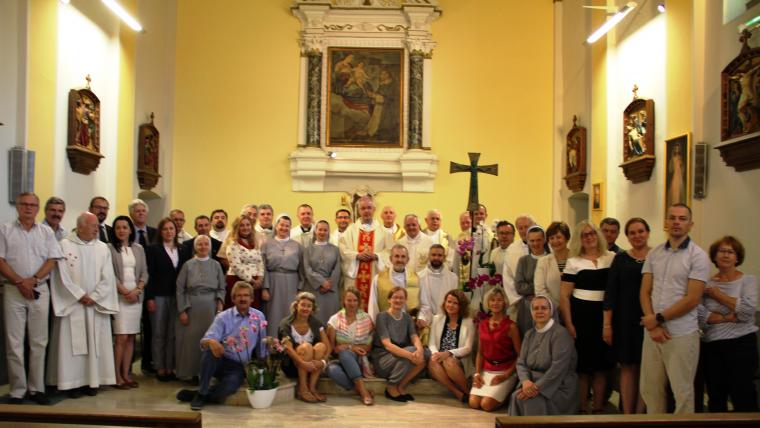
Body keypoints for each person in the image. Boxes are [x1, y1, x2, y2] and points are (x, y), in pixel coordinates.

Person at [640, 204, 710, 414]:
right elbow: (645, 291)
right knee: (650, 390)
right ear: (666, 222)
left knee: (682, 393)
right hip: (653, 333)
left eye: (682, 218)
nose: (676, 222)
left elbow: (693, 299)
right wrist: (653, 325)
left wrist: (658, 318)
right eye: (672, 218)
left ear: (690, 224)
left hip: (681, 334)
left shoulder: (698, 256)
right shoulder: (654, 254)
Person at [0, 192, 63, 404]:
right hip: (13, 290)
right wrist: (20, 281)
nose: (28, 208)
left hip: (39, 290)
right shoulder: (5, 230)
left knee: (39, 341)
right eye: (24, 204)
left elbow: (52, 259)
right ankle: (18, 390)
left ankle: (37, 388)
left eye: (32, 205)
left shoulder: (46, 232)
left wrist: (33, 280)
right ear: (17, 206)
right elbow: (0, 261)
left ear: (37, 209)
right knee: (14, 343)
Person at [47, 212, 118, 398]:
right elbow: (60, 276)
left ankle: (92, 381)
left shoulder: (102, 248)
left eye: (97, 226)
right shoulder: (64, 245)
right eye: (93, 225)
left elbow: (108, 277)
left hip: (94, 305)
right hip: (73, 305)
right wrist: (79, 295)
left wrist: (94, 296)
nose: (96, 229)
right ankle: (72, 383)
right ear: (80, 226)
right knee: (71, 345)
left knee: (94, 344)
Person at [176, 281, 267, 410]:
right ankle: (202, 392)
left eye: (246, 295)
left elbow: (261, 343)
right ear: (233, 299)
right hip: (220, 360)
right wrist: (212, 342)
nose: (242, 298)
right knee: (209, 351)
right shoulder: (223, 317)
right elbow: (205, 341)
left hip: (238, 366)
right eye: (239, 295)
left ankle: (198, 395)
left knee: (229, 387)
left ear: (252, 299)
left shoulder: (259, 316)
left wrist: (262, 364)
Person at [560, 220, 615, 414]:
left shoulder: (611, 258)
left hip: (605, 317)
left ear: (597, 235)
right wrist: (569, 324)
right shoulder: (573, 262)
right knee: (583, 367)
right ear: (579, 239)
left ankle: (598, 408)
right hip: (581, 317)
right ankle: (582, 409)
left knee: (601, 366)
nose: (589, 237)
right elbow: (564, 296)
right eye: (584, 235)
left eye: (592, 233)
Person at [698, 236, 758, 412]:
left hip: (742, 344)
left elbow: (747, 311)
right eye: (721, 251)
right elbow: (701, 316)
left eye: (730, 252)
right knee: (716, 396)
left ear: (737, 257)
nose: (725, 255)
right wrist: (728, 317)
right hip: (712, 345)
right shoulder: (705, 285)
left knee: (743, 395)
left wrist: (717, 295)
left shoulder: (748, 280)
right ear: (714, 256)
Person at [602, 217, 651, 414]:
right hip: (624, 320)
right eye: (632, 233)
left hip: (649, 319)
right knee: (627, 367)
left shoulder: (657, 257)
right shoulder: (620, 258)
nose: (637, 235)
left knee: (646, 368)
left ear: (648, 233)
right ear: (627, 236)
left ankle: (640, 414)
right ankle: (627, 415)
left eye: (640, 231)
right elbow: (610, 292)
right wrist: (607, 324)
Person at [508, 295, 579, 416]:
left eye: (544, 308)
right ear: (531, 312)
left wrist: (536, 388)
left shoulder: (560, 334)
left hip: (558, 385)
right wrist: (525, 381)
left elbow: (558, 369)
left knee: (531, 401)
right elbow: (521, 363)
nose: (539, 311)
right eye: (536, 308)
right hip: (532, 382)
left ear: (551, 311)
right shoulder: (529, 334)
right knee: (516, 397)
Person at [175, 235, 226, 381]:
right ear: (195, 247)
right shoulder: (188, 265)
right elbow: (180, 288)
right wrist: (182, 310)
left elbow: (222, 288)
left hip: (210, 307)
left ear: (210, 247)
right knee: (192, 341)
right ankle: (192, 372)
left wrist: (220, 306)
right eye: (200, 244)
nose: (203, 247)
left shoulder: (216, 265)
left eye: (206, 244)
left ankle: (208, 372)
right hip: (191, 306)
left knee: (210, 340)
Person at [109, 215, 148, 390]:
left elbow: (145, 272)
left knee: (131, 337)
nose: (121, 230)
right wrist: (125, 292)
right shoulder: (110, 249)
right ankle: (116, 376)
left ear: (131, 230)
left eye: (125, 227)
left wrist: (137, 290)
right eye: (118, 227)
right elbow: (110, 274)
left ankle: (126, 375)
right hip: (120, 298)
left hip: (136, 298)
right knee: (121, 337)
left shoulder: (138, 248)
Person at [372, 286, 430, 402]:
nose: (398, 300)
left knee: (426, 353)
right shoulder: (382, 317)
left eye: (401, 298)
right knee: (410, 352)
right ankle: (391, 387)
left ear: (405, 300)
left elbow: (414, 337)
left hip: (401, 356)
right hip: (384, 357)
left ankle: (402, 385)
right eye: (395, 297)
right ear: (389, 300)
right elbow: (387, 345)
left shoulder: (407, 318)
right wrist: (411, 355)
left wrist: (419, 350)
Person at [469, 287, 521, 412]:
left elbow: (520, 355)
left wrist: (506, 375)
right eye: (492, 300)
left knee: (486, 405)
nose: (495, 303)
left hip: (505, 371)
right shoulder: (482, 324)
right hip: (486, 370)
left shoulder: (511, 326)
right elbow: (480, 352)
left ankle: (507, 394)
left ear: (504, 303)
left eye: (499, 300)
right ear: (488, 303)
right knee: (473, 403)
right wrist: (477, 373)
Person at [339, 196, 394, 311]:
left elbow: (390, 251)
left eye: (369, 208)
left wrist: (377, 256)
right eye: (363, 208)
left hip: (375, 275)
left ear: (374, 210)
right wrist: (356, 256)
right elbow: (343, 250)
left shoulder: (384, 232)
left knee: (374, 307)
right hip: (355, 277)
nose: (366, 211)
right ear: (359, 211)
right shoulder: (350, 230)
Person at [145, 217, 183, 381]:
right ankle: (159, 366)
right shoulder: (153, 249)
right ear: (160, 232)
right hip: (158, 296)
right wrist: (150, 298)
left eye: (171, 228)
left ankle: (170, 366)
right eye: (165, 229)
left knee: (172, 333)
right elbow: (149, 275)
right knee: (159, 332)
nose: (169, 232)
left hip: (176, 296)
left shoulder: (181, 249)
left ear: (176, 231)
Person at [278, 292, 331, 403]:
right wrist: (302, 363)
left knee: (321, 346)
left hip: (312, 366)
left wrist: (323, 362)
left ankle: (312, 388)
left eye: (309, 306)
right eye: (303, 305)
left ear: (312, 308)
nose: (305, 308)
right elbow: (288, 349)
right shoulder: (286, 324)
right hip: (292, 365)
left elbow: (328, 346)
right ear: (296, 306)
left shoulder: (316, 323)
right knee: (306, 347)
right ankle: (302, 389)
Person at [326, 288, 375, 405]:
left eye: (355, 300)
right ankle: (360, 390)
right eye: (349, 300)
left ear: (359, 302)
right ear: (343, 301)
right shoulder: (335, 319)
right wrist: (351, 347)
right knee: (331, 369)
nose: (352, 303)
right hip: (340, 359)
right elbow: (333, 348)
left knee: (345, 353)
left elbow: (368, 346)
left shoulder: (366, 318)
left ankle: (363, 393)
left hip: (361, 359)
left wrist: (347, 347)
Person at [428, 289, 475, 402]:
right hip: (439, 357)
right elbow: (432, 343)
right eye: (449, 301)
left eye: (455, 303)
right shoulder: (437, 319)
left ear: (461, 306)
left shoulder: (469, 322)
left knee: (448, 361)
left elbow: (468, 348)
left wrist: (448, 353)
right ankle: (457, 393)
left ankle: (468, 392)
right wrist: (436, 354)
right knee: (432, 362)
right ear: (444, 302)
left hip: (459, 360)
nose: (451, 305)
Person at [262, 214, 303, 337]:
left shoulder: (297, 246)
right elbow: (263, 267)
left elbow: (301, 268)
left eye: (287, 226)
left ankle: (289, 342)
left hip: (292, 282)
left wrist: (300, 288)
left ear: (290, 228)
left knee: (290, 312)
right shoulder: (266, 244)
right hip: (273, 282)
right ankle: (272, 341)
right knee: (273, 313)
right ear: (276, 226)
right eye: (281, 225)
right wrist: (265, 288)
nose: (284, 228)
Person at [303, 220, 342, 324]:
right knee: (314, 318)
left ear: (329, 232)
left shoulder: (335, 250)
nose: (322, 232)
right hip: (314, 288)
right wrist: (322, 282)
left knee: (331, 319)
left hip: (330, 289)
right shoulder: (307, 249)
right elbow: (307, 269)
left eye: (325, 230)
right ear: (315, 231)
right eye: (320, 229)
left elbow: (337, 268)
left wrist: (329, 284)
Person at [368, 244, 420, 321]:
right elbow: (373, 305)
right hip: (386, 323)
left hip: (410, 323)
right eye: (396, 256)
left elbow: (423, 303)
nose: (400, 260)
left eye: (403, 257)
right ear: (390, 259)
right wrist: (375, 323)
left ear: (407, 259)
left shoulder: (416, 278)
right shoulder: (378, 279)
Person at [514, 226, 549, 336]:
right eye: (532, 241)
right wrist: (542, 288)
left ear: (544, 240)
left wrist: (535, 291)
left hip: (548, 306)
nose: (535, 243)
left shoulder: (551, 259)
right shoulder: (523, 261)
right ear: (528, 242)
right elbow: (519, 286)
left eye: (538, 240)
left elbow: (554, 285)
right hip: (527, 308)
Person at [223, 215, 264, 309]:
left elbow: (260, 262)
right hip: (237, 281)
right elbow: (236, 266)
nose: (245, 228)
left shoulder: (254, 242)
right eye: (242, 225)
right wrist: (252, 280)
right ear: (237, 227)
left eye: (248, 225)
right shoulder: (233, 243)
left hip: (255, 285)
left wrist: (260, 279)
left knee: (252, 312)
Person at [503, 214, 536, 320]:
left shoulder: (546, 246)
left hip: (543, 300)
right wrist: (518, 300)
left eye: (526, 227)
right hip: (520, 303)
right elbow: (507, 277)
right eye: (520, 228)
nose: (523, 231)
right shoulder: (512, 249)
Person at [418, 244, 459, 328]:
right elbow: (419, 303)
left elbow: (454, 302)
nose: (436, 258)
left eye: (439, 255)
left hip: (446, 320)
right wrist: (421, 318)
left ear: (444, 257)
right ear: (429, 256)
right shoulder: (419, 277)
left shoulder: (453, 278)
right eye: (433, 255)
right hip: (425, 321)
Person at [535, 221, 570, 311]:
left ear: (566, 238)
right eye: (551, 238)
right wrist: (557, 307)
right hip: (553, 310)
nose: (555, 241)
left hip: (577, 308)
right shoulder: (543, 262)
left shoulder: (577, 259)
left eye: (558, 237)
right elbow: (540, 290)